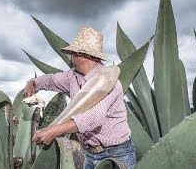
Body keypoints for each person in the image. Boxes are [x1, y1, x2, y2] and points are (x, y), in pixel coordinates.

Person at [23, 26, 137, 169]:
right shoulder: (73, 76)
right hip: (89, 153)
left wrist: (53, 131)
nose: (71, 57)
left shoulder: (109, 82)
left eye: (73, 53)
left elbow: (93, 119)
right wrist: (33, 83)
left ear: (83, 55)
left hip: (117, 154)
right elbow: (51, 80)